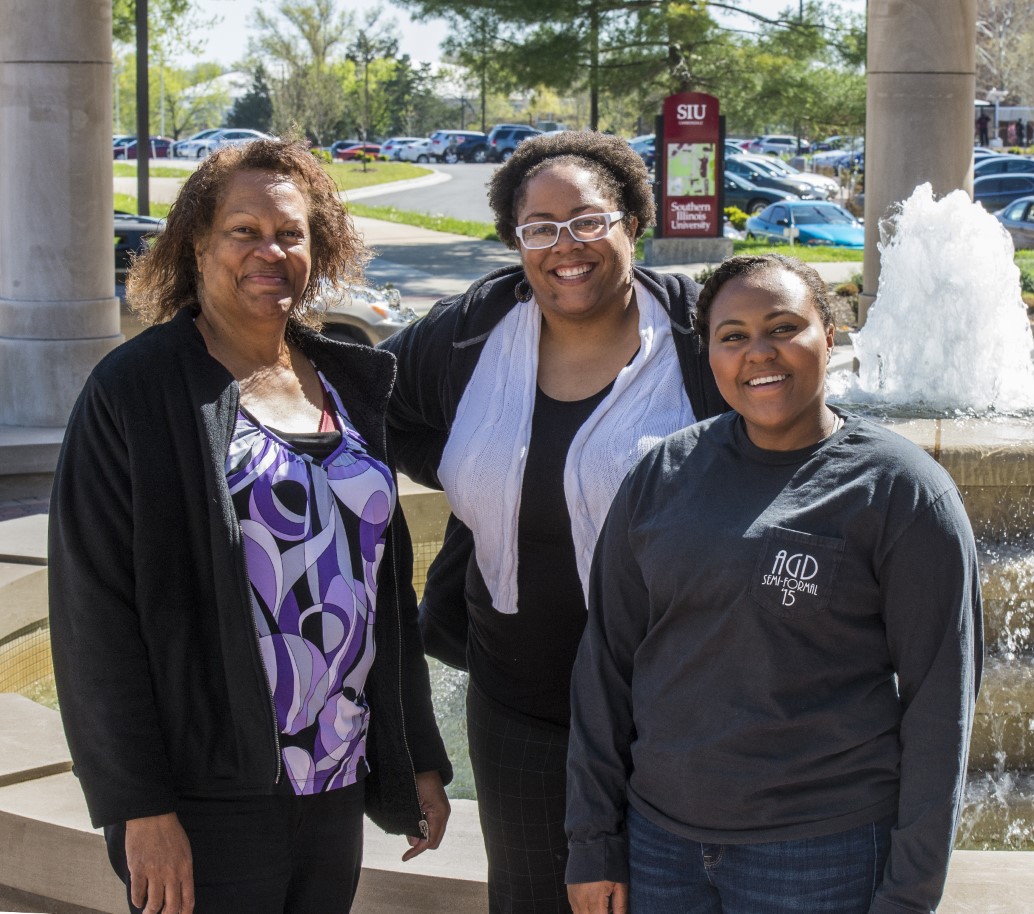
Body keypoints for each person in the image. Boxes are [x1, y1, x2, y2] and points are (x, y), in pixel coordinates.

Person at [48, 139, 453, 914]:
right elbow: (92, 616)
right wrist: (139, 806)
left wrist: (416, 758)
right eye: (244, 231)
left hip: (333, 781)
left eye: (292, 233)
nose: (271, 251)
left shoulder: (345, 382)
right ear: (197, 242)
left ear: (319, 245)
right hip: (206, 798)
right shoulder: (138, 391)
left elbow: (386, 597)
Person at [565, 254, 983, 914]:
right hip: (658, 849)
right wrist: (592, 840)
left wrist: (909, 896)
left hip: (821, 857)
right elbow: (605, 667)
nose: (759, 353)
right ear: (710, 355)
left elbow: (940, 709)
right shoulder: (661, 475)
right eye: (732, 336)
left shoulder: (901, 493)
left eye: (784, 327)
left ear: (831, 336)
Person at [380, 131, 727, 913]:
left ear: (634, 221)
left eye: (588, 221)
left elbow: (795, 435)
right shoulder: (469, 329)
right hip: (519, 707)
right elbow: (375, 403)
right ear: (516, 241)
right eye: (539, 227)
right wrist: (468, 473)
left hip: (676, 714)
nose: (564, 246)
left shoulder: (702, 332)